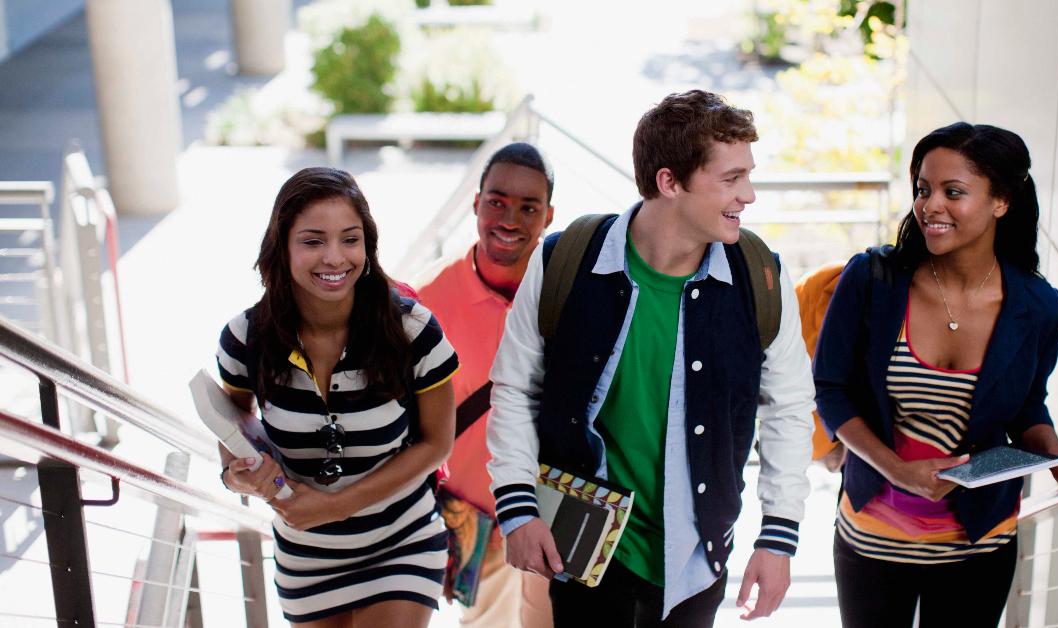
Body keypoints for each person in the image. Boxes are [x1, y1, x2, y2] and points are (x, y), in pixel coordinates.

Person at [485, 90, 815, 627]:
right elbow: (517, 389)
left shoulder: (760, 278)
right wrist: (517, 508)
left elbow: (790, 408)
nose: (748, 195)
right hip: (580, 549)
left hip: (697, 556)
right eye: (730, 179)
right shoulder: (564, 260)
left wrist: (778, 537)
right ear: (670, 182)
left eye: (747, 176)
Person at [812, 122, 1058, 628]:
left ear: (1002, 201)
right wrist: (894, 468)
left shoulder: (1038, 307)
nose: (930, 206)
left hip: (981, 541)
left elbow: (1026, 408)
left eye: (954, 192)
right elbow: (832, 391)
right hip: (873, 536)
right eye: (924, 190)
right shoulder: (872, 280)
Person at [215, 167, 459, 627]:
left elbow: (437, 444)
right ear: (282, 246)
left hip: (401, 543)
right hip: (306, 558)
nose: (334, 258)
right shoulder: (243, 339)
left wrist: (337, 504)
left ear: (367, 245)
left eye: (350, 239)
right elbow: (231, 453)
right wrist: (246, 479)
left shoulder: (414, 331)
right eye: (312, 241)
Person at [412, 142, 555, 627]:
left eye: (527, 206)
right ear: (476, 204)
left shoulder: (571, 292)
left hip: (556, 510)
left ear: (548, 215)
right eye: (497, 201)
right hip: (477, 520)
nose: (510, 218)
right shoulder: (426, 300)